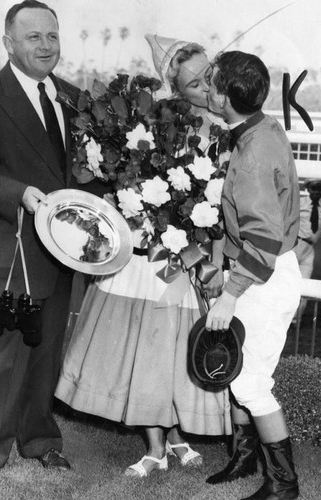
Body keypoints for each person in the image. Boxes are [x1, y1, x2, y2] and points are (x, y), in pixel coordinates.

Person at [0, 0, 107, 484]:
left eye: (52, 36)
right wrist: (20, 195)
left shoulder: (74, 98)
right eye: (33, 37)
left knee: (46, 350)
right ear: (8, 43)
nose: (46, 45)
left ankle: (40, 439)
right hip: (5, 249)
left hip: (61, 250)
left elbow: (84, 173)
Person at [54, 36, 232, 479]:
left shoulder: (224, 130)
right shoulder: (154, 126)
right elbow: (132, 188)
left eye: (209, 74)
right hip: (151, 255)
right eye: (194, 82)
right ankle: (155, 444)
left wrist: (210, 258)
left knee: (176, 349)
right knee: (146, 349)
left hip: (193, 254)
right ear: (174, 87)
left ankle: (177, 437)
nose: (206, 86)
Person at [204, 51, 301, 499]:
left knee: (251, 383)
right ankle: (244, 459)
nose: (205, 91)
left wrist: (229, 294)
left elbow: (262, 239)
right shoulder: (259, 127)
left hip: (263, 273)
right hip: (261, 270)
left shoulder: (254, 154)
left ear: (225, 98)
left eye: (211, 85)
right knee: (239, 370)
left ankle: (283, 485)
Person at [293, 179, 321, 323]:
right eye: (313, 189)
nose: (316, 192)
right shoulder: (300, 203)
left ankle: (296, 319)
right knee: (288, 279)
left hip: (310, 249)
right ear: (308, 189)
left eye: (319, 189)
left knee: (305, 283)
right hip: (296, 244)